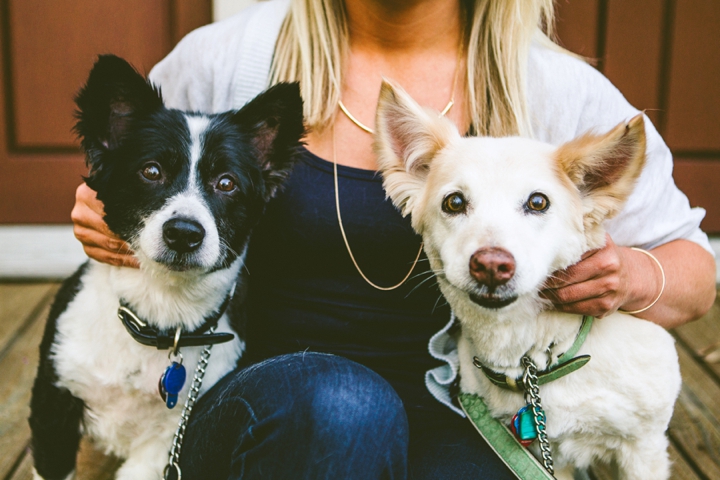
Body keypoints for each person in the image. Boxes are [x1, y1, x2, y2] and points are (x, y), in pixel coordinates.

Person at [71, 0, 717, 478]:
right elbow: (129, 169)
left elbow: (695, 275)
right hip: (264, 406)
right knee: (346, 408)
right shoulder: (229, 61)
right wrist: (105, 217)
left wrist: (633, 275)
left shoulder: (552, 89)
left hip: (469, 414)